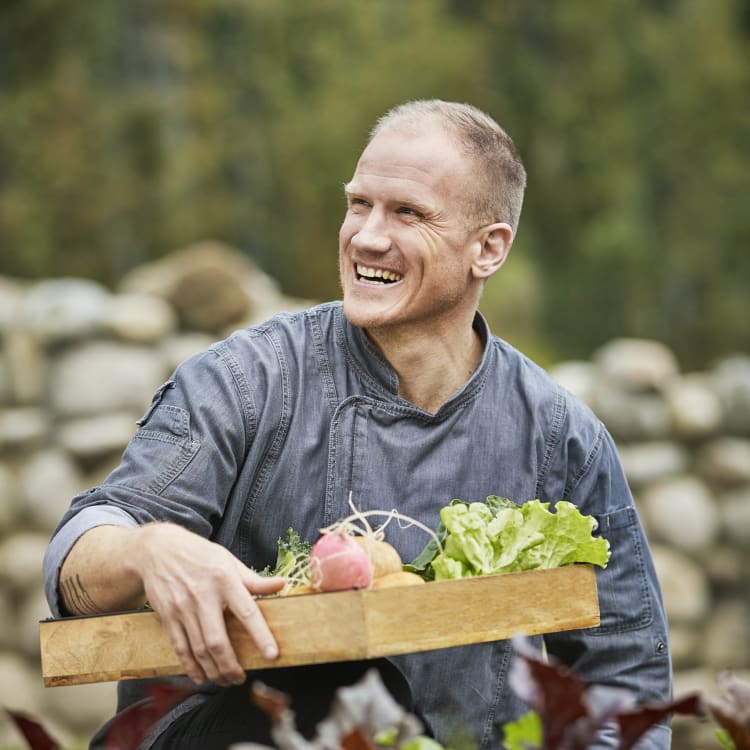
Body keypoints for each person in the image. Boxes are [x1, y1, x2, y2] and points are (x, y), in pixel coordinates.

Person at [43, 100, 672, 749]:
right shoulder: (244, 382)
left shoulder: (559, 433)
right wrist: (149, 550)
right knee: (338, 696)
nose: (367, 236)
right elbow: (77, 563)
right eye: (358, 204)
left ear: (488, 249)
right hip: (225, 738)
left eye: (409, 213)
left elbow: (626, 675)